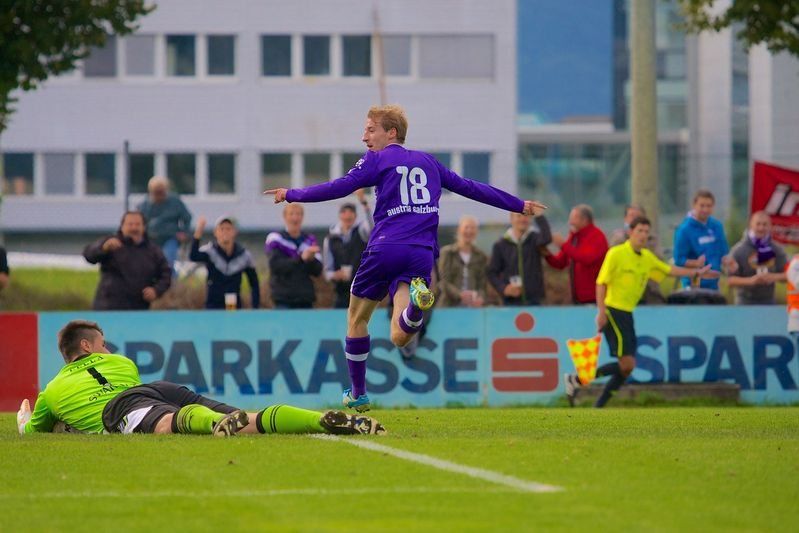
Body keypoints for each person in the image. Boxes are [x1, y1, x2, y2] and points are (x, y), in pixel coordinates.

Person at [265, 104, 546, 412]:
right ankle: (414, 307)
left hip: (385, 248)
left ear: (391, 132)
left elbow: (339, 187)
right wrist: (518, 204)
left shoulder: (375, 159)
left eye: (370, 130)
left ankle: (358, 393)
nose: (364, 137)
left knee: (357, 319)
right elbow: (471, 188)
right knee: (400, 336)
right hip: (421, 254)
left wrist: (292, 194)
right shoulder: (429, 162)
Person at [17, 320, 385, 436]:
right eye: (102, 343)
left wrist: (25, 422)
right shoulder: (122, 363)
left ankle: (213, 424)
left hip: (120, 408)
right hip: (156, 388)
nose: (107, 348)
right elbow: (129, 386)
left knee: (167, 424)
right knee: (249, 420)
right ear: (87, 346)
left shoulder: (53, 390)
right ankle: (318, 420)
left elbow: (35, 430)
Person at [564, 216, 718, 408]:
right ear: (630, 232)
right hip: (614, 311)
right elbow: (601, 282)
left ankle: (592, 400)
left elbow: (668, 270)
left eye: (646, 232)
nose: (643, 235)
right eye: (639, 231)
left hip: (627, 314)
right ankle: (577, 380)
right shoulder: (616, 253)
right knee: (627, 364)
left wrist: (695, 273)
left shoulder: (646, 257)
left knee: (627, 369)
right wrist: (601, 312)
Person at [83, 211, 171, 310]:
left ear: (144, 227)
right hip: (108, 307)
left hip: (139, 308)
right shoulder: (110, 243)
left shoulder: (153, 251)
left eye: (137, 224)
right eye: (130, 224)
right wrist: (103, 248)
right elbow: (88, 255)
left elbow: (166, 274)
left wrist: (156, 290)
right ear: (122, 226)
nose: (134, 228)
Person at [190, 215, 260, 310]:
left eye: (228, 229)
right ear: (215, 232)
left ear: (234, 232)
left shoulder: (244, 256)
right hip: (213, 307)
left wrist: (255, 307)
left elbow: (254, 283)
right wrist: (198, 232)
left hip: (234, 306)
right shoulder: (210, 252)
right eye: (221, 229)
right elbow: (193, 256)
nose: (225, 232)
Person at [673, 189, 737, 290]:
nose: (705, 209)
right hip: (693, 284)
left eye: (709, 206)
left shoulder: (717, 226)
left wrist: (729, 262)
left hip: (714, 284)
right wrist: (696, 263)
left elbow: (723, 252)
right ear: (694, 205)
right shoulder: (684, 230)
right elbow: (678, 260)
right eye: (702, 206)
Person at [544, 204, 608, 304]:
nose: (570, 222)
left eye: (574, 219)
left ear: (585, 220)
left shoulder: (597, 236)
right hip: (577, 297)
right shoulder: (574, 238)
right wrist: (546, 253)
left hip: (594, 297)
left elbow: (586, 259)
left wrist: (563, 245)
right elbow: (560, 263)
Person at [487, 211, 552, 306]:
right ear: (511, 219)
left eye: (526, 216)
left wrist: (539, 215)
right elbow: (492, 273)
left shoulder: (535, 239)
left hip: (535, 301)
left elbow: (547, 238)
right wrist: (504, 288)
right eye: (519, 216)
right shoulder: (500, 244)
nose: (523, 219)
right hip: (510, 302)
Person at [265, 203, 323, 309]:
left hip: (305, 298)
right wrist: (301, 259)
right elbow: (276, 266)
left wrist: (311, 260)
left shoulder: (309, 240)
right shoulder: (276, 239)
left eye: (298, 214)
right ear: (285, 217)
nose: (295, 218)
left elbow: (317, 271)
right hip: (283, 298)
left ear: (302, 217)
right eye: (291, 214)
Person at [322, 191, 373, 308]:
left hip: (361, 289)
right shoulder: (330, 238)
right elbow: (327, 271)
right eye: (344, 212)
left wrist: (365, 204)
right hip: (341, 291)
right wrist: (334, 275)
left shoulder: (361, 232)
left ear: (355, 216)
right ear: (340, 216)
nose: (348, 216)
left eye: (351, 213)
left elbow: (373, 228)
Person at [727, 211, 787, 305]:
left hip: (768, 302)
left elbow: (788, 275)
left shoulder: (777, 249)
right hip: (744, 302)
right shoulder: (738, 250)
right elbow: (730, 280)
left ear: (770, 226)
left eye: (764, 224)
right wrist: (751, 281)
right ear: (751, 225)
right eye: (758, 224)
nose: (761, 228)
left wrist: (773, 277)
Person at [137, 176, 193, 274]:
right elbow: (139, 222)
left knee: (168, 262)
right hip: (151, 239)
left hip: (170, 238)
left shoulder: (175, 202)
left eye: (161, 192)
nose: (159, 195)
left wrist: (184, 232)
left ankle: (171, 281)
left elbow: (187, 218)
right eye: (156, 192)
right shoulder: (144, 205)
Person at [437, 215, 488, 307]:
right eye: (466, 227)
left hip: (473, 308)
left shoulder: (481, 256)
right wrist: (460, 295)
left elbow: (482, 285)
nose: (469, 231)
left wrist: (480, 298)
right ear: (459, 230)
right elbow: (442, 281)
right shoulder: (447, 253)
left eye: (472, 228)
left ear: (476, 232)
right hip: (448, 307)